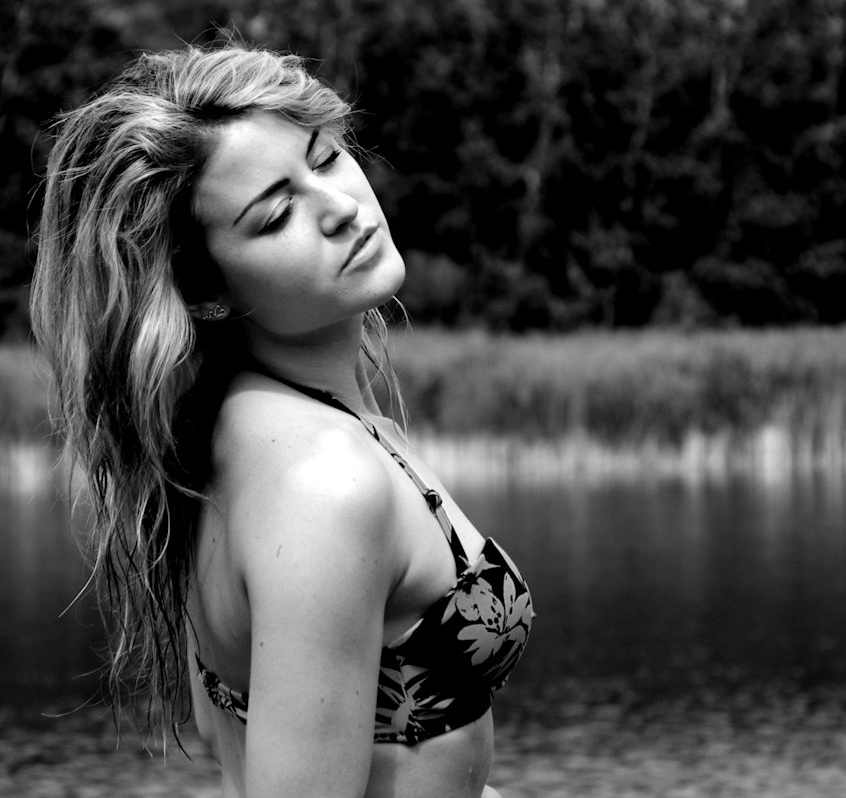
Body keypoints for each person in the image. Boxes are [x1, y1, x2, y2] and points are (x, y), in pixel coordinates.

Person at [30, 42, 533, 798]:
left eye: (325, 157)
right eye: (275, 214)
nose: (339, 208)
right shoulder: (319, 483)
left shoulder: (227, 430)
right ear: (207, 293)